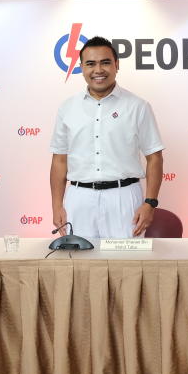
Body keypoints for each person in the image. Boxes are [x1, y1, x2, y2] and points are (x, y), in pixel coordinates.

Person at [50, 36, 164, 239]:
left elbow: (154, 157)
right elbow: (59, 159)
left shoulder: (137, 106)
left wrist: (150, 203)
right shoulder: (67, 108)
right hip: (78, 199)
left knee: (127, 267)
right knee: (79, 266)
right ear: (81, 67)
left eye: (105, 62)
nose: (98, 70)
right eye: (90, 64)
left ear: (116, 65)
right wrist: (57, 205)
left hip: (124, 198)